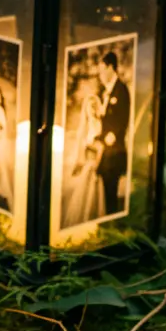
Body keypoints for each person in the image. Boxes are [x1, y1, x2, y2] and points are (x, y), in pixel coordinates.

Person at [62, 90, 106, 228]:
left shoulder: (101, 124)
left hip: (98, 162)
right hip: (89, 162)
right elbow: (82, 145)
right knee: (86, 193)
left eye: (94, 106)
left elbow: (102, 143)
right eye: (90, 106)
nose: (92, 109)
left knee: (97, 192)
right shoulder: (85, 127)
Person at [96, 51, 131, 216]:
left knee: (111, 190)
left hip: (114, 152)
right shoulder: (103, 92)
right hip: (105, 153)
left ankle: (112, 220)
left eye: (102, 70)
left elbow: (122, 119)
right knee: (104, 190)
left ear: (111, 68)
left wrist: (111, 136)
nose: (100, 75)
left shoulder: (121, 90)